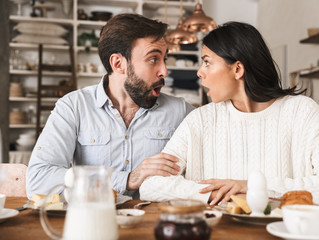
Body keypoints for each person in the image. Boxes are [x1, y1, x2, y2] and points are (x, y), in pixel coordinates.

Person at [140, 22, 319, 208]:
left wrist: (254, 188)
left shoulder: (302, 112)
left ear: (237, 69)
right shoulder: (200, 120)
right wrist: (220, 195)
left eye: (207, 61)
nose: (200, 71)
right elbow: (151, 186)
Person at [26, 14, 194, 200]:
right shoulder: (73, 107)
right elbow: (38, 180)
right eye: (153, 59)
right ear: (118, 64)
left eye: (165, 59)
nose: (164, 71)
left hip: (158, 224)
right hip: (94, 222)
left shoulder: (181, 111)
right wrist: (127, 179)